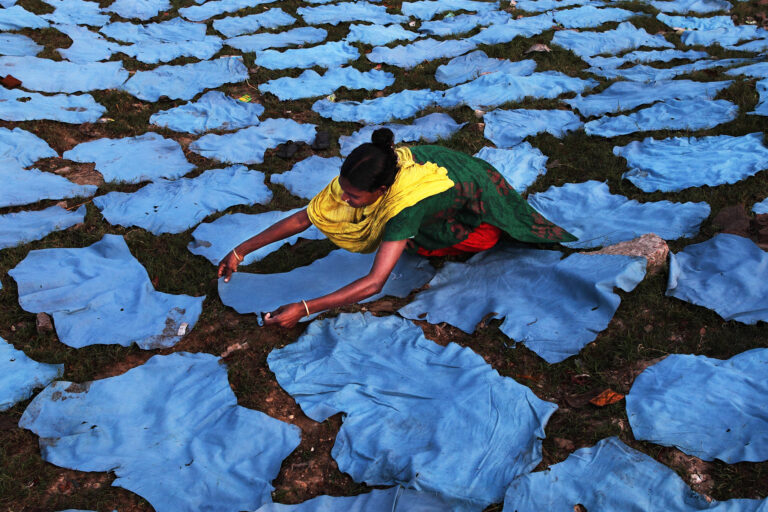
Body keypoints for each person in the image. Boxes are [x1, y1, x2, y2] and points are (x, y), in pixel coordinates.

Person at [218, 128, 576, 327]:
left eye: (356, 197)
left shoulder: (403, 206)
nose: (343, 201)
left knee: (474, 240)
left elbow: (375, 283)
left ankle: (472, 227)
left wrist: (305, 307)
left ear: (383, 191)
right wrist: (239, 251)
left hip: (474, 191)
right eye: (343, 190)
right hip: (443, 182)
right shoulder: (370, 171)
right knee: (406, 239)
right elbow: (301, 218)